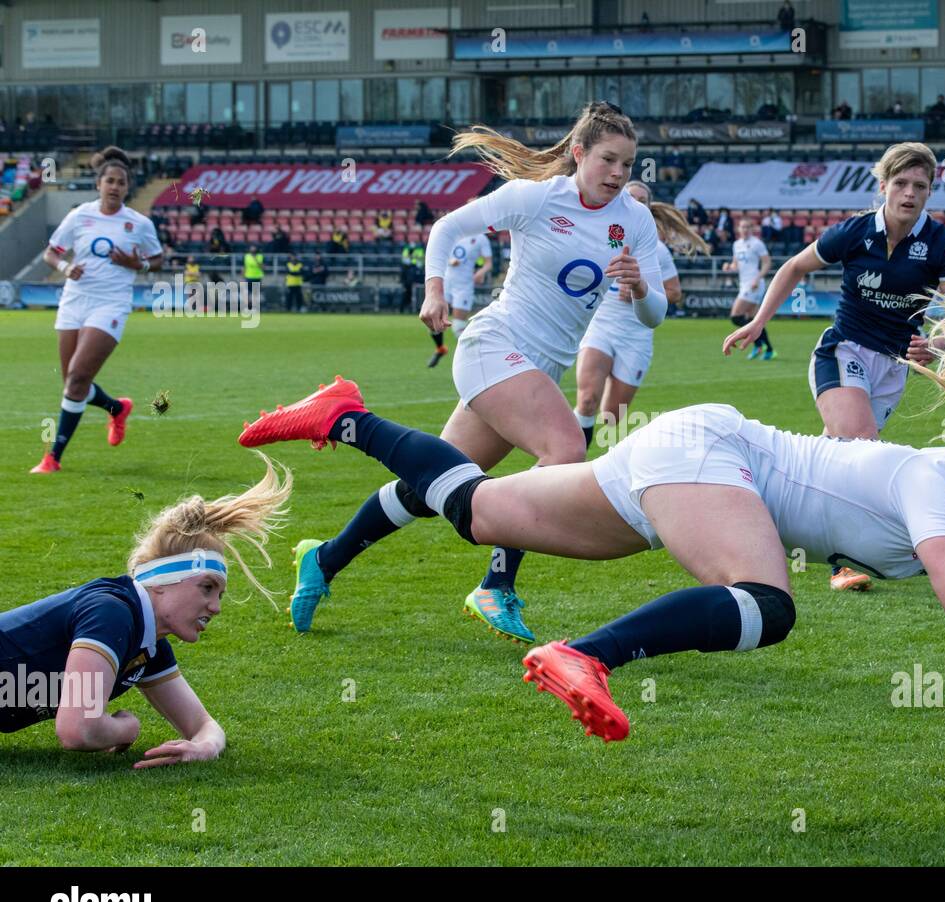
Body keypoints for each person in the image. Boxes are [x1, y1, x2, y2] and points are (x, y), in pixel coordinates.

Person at [236, 283, 945, 748]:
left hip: (695, 465)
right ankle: (589, 655)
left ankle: (347, 416)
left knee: (483, 511)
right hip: (714, 454)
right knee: (768, 602)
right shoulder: (934, 483)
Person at [276, 102, 663, 645]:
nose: (619, 174)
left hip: (533, 370)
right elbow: (447, 228)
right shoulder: (536, 197)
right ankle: (495, 587)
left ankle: (323, 558)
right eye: (608, 160)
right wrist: (434, 291)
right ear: (578, 154)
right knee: (565, 449)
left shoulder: (636, 219)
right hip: (493, 346)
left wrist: (641, 288)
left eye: (628, 163)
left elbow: (656, 313)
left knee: (425, 489)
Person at [723, 141, 945, 594]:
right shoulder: (855, 232)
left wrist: (936, 344)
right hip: (843, 352)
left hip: (894, 369)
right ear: (883, 186)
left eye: (921, 186)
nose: (910, 194)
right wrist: (759, 321)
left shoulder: (940, 244)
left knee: (829, 463)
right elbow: (794, 266)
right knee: (861, 450)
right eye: (901, 183)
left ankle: (758, 508)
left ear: (931, 192)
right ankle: (848, 559)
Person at [1, 455, 291, 764]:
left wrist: (204, 747)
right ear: (162, 582)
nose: (216, 607)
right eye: (207, 587)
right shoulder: (112, 614)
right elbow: (78, 729)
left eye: (219, 594)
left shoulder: (148, 644)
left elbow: (204, 726)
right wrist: (127, 728)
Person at [30, 147, 162, 475]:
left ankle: (53, 458)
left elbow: (157, 259)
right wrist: (64, 266)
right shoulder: (79, 215)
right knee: (73, 385)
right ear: (99, 184)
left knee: (76, 378)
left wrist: (138, 264)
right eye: (110, 181)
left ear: (127, 188)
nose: (115, 187)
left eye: (121, 182)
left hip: (111, 304)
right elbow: (51, 252)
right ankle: (117, 408)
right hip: (74, 301)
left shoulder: (138, 223)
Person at [575, 181, 708, 439]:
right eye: (629, 197)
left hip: (635, 337)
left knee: (612, 416)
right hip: (600, 328)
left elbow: (674, 293)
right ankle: (568, 462)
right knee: (588, 399)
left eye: (641, 200)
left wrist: (640, 291)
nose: (634, 203)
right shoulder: (597, 237)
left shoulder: (656, 250)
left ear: (647, 209)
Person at [430, 230, 491, 368]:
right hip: (445, 283)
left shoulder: (480, 238)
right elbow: (437, 254)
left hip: (464, 286)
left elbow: (488, 263)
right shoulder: (453, 233)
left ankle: (479, 358)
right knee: (434, 321)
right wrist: (449, 261)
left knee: (458, 326)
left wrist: (480, 272)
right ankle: (440, 348)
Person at [724, 219, 773, 359]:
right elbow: (736, 264)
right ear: (738, 229)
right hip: (744, 283)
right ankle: (768, 349)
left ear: (752, 229)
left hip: (754, 284)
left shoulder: (757, 243)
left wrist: (757, 278)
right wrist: (729, 267)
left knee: (735, 316)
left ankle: (758, 345)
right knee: (753, 319)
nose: (745, 230)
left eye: (747, 227)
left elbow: (767, 263)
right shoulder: (736, 244)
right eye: (742, 227)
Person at [399, 239, 423, 314]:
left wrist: (412, 259)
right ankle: (403, 309)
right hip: (407, 278)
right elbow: (404, 260)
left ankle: (418, 308)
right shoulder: (406, 249)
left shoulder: (419, 250)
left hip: (417, 275)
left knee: (418, 293)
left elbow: (420, 262)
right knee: (407, 293)